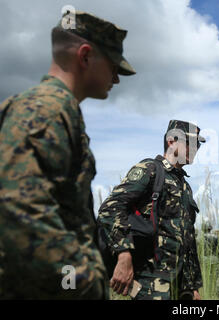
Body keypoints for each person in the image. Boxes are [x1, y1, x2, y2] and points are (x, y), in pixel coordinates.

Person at [0, 11, 135, 299]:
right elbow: (19, 210)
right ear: (85, 56)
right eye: (113, 66)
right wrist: (83, 282)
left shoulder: (56, 111)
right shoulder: (46, 111)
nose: (116, 79)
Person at [98, 120, 205, 300]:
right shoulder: (150, 169)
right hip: (149, 280)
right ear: (171, 141)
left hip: (179, 285)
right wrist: (123, 254)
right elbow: (110, 208)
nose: (195, 148)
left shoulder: (185, 187)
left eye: (198, 145)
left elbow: (187, 239)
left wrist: (191, 285)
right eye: (190, 143)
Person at [200, 220, 219, 298]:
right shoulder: (215, 237)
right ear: (210, 227)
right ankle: (218, 295)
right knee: (216, 278)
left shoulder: (199, 238)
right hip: (215, 260)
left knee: (207, 279)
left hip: (204, 261)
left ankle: (209, 295)